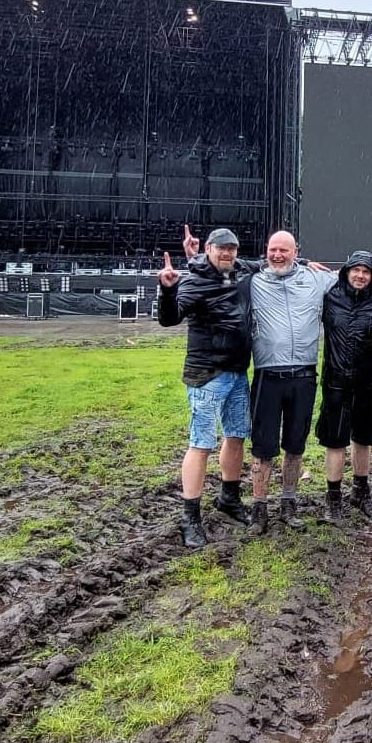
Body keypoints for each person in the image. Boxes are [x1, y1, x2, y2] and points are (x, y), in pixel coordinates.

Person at [243, 231, 372, 533]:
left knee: (295, 445)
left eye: (285, 250)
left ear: (296, 250)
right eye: (273, 249)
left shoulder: (317, 280)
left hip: (305, 376)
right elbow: (227, 266)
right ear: (265, 251)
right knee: (263, 446)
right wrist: (193, 259)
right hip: (268, 375)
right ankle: (259, 508)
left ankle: (288, 504)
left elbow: (355, 275)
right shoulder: (254, 281)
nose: (278, 255)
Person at [157, 227, 256, 548]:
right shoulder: (194, 281)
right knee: (201, 443)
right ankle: (190, 517)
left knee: (237, 435)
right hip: (206, 375)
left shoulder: (241, 272)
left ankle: (229, 497)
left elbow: (275, 263)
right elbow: (170, 320)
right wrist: (168, 291)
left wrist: (306, 263)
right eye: (221, 249)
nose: (227, 254)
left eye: (232, 249)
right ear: (209, 250)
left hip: (238, 371)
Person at [316, 247, 372, 520]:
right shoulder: (329, 298)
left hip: (367, 384)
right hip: (335, 383)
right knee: (334, 441)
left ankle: (361, 491)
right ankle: (333, 497)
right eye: (355, 270)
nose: (360, 276)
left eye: (366, 271)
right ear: (346, 272)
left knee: (363, 438)